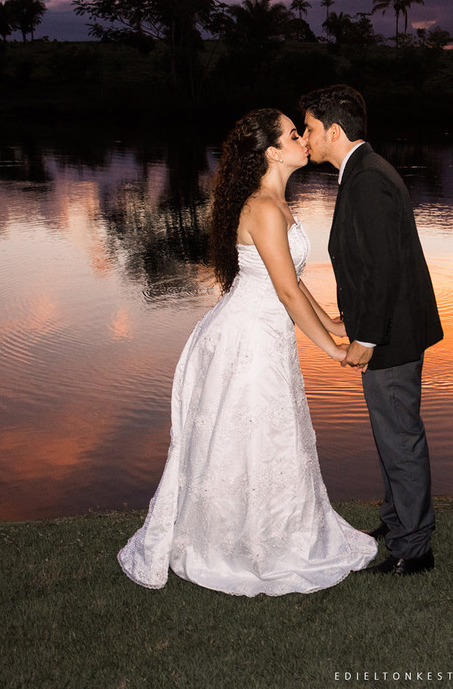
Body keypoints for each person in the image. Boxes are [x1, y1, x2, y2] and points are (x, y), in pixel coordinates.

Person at [117, 108, 376, 596]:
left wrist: (333, 321)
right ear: (273, 151)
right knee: (250, 438)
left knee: (271, 435)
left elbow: (293, 282)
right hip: (247, 340)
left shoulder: (277, 202)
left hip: (266, 335)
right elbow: (284, 292)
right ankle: (238, 546)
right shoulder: (262, 207)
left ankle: (269, 534)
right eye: (294, 134)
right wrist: (336, 350)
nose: (304, 139)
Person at [300, 85, 444, 576]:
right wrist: (351, 320)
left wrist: (367, 339)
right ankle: (396, 520)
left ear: (334, 131)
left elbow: (383, 267)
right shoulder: (361, 172)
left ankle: (414, 549)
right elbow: (367, 264)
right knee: (392, 436)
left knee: (401, 438)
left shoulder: (365, 180)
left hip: (393, 336)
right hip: (388, 327)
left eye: (311, 129)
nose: (305, 137)